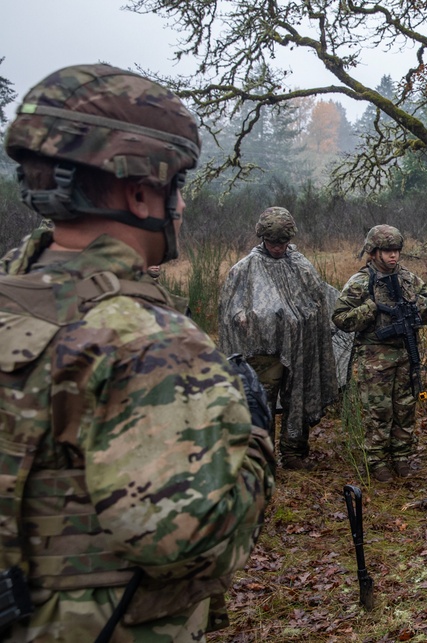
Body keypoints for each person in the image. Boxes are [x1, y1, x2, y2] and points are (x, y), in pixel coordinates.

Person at [0, 64, 274, 642]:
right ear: (141, 191)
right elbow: (194, 545)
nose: (179, 205)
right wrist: (254, 443)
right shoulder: (145, 339)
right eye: (176, 187)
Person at [219, 207, 339, 471]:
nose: (277, 247)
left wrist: (301, 318)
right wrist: (244, 316)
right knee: (264, 400)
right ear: (263, 238)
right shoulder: (245, 268)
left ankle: (294, 452)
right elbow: (231, 306)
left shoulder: (301, 266)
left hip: (299, 346)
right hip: (264, 351)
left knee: (298, 396)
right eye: (272, 242)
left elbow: (317, 300)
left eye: (282, 242)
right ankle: (262, 457)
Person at [333, 225, 427, 482]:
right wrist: (371, 309)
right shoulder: (361, 281)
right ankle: (376, 460)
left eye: (396, 250)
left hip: (406, 353)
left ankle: (401, 456)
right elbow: (340, 317)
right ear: (373, 252)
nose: (393, 256)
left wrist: (418, 306)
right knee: (378, 411)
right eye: (387, 251)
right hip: (375, 357)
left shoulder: (408, 279)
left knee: (405, 407)